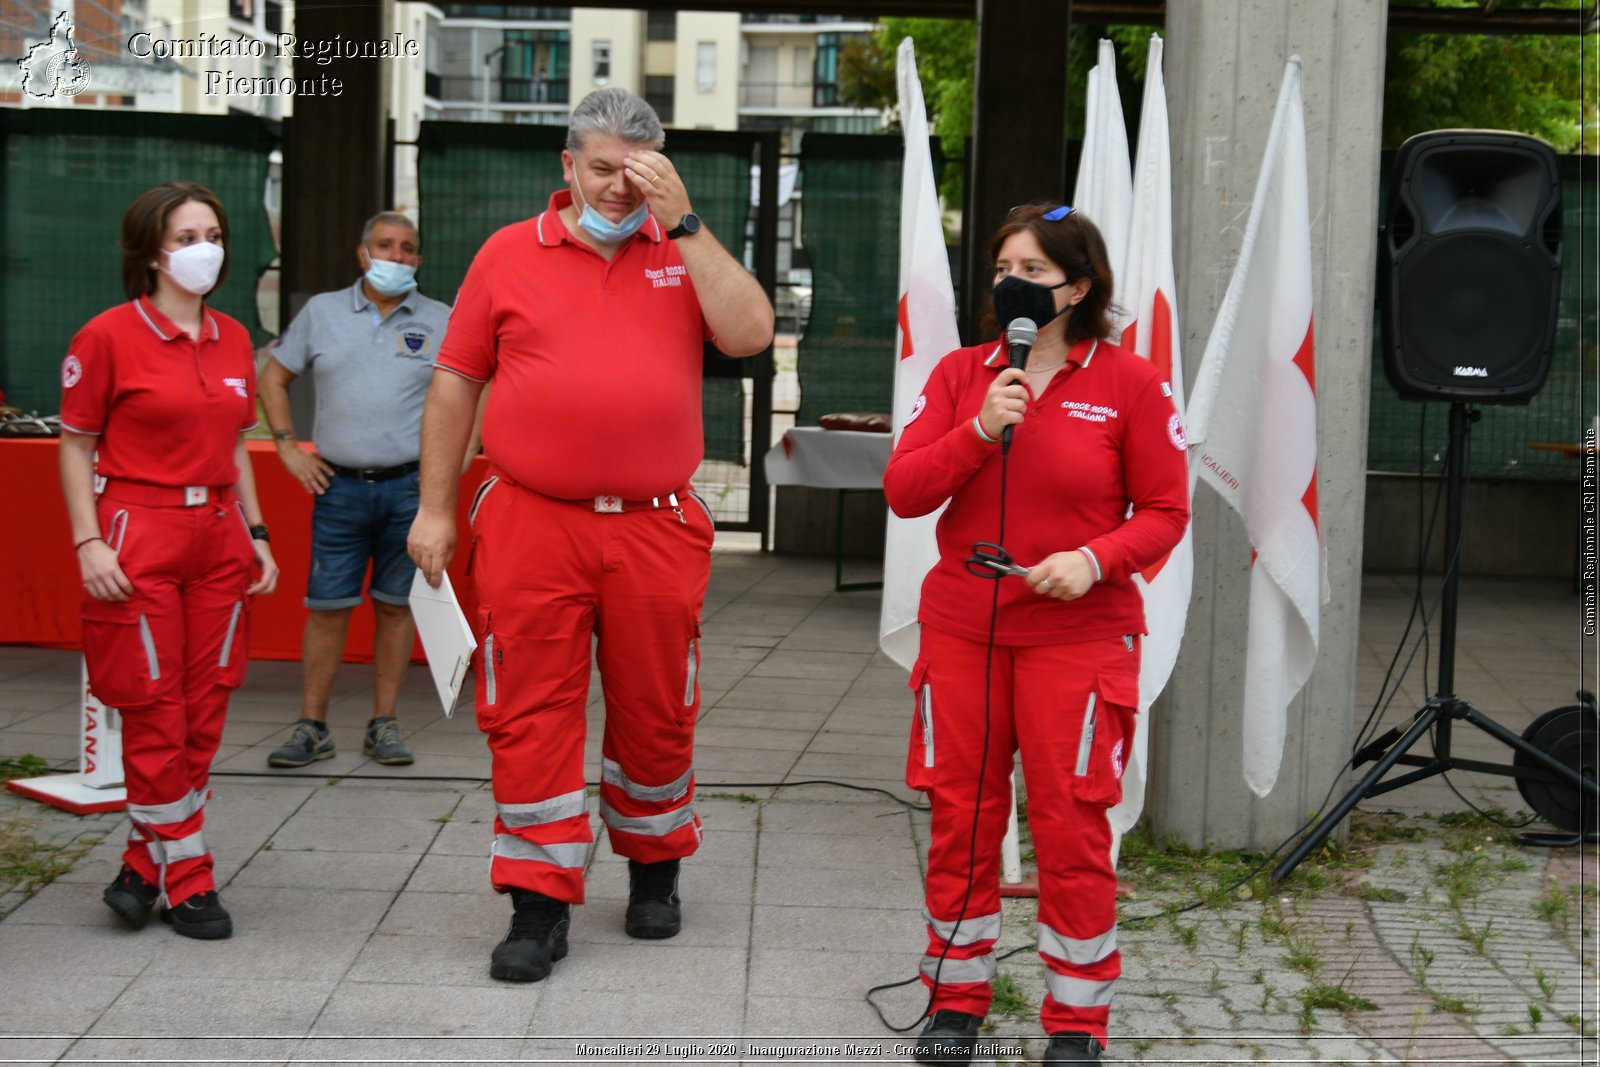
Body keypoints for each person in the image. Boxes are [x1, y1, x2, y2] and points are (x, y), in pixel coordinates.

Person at [407, 88, 773, 984]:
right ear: (568, 165)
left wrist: (681, 220)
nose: (619, 188)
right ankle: (538, 903)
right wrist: (436, 506)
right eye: (603, 168)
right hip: (533, 517)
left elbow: (751, 331)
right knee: (529, 708)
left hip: (655, 525)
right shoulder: (506, 253)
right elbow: (456, 382)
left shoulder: (678, 245)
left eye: (637, 170)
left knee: (657, 704)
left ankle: (656, 872)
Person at [883, 203, 1189, 1066]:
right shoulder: (960, 374)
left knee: (1070, 826)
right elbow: (905, 491)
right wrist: (980, 428)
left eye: (1034, 269)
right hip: (963, 633)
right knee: (962, 819)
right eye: (1002, 265)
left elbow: (1167, 511)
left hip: (1079, 638)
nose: (1012, 282)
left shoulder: (1131, 382)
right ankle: (955, 998)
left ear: (1078, 287)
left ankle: (1078, 1019)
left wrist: (1095, 558)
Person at [59, 181, 279, 941]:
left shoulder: (234, 338)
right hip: (136, 528)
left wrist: (257, 533)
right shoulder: (107, 335)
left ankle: (139, 861)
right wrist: (89, 541)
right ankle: (188, 870)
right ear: (153, 249)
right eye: (187, 236)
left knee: (206, 704)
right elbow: (77, 444)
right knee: (154, 707)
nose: (205, 249)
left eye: (212, 232)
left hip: (217, 532)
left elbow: (234, 446)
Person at [259, 212, 451, 770]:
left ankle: (383, 725)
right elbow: (273, 378)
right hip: (339, 488)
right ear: (362, 253)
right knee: (327, 609)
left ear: (418, 260)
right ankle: (312, 727)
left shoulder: (440, 319)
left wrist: (461, 455)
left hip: (409, 489)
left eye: (408, 248)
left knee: (395, 608)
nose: (396, 256)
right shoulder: (322, 312)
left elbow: (475, 386)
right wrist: (289, 447)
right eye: (385, 245)